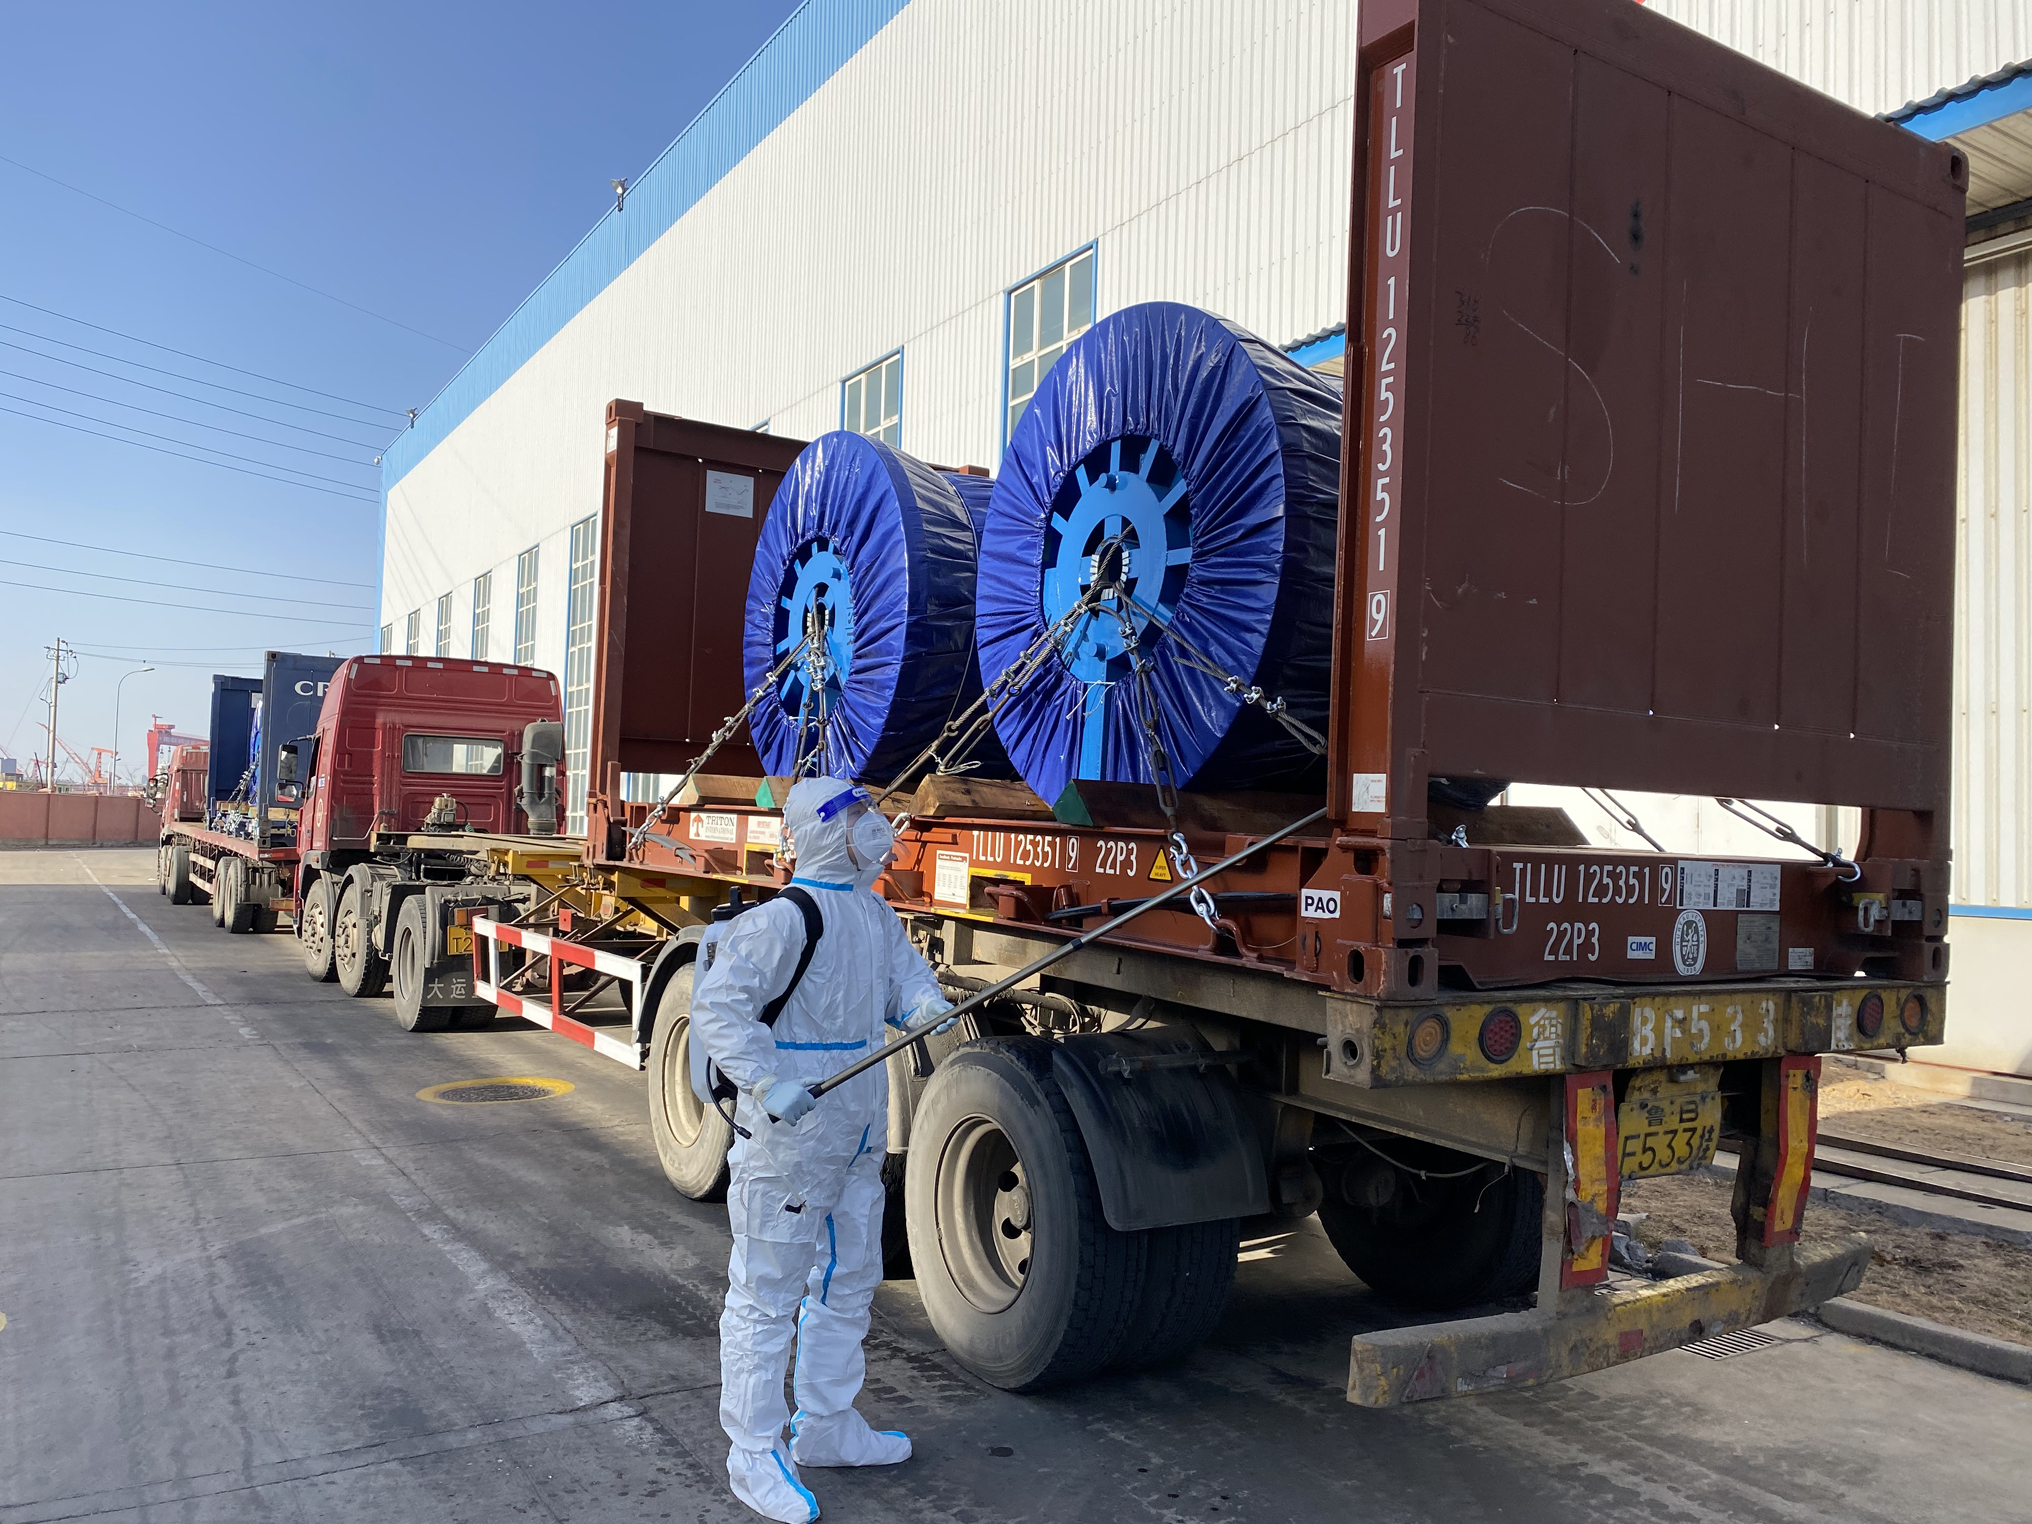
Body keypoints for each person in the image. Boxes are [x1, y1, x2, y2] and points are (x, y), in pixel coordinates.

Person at [688, 776, 955, 1523]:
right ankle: (753, 1452)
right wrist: (766, 1082)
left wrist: (926, 1007)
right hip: (791, 1139)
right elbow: (720, 1009)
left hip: (859, 1133)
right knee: (767, 1295)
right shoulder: (782, 920)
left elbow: (904, 984)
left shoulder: (874, 914)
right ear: (822, 833)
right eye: (859, 817)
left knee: (848, 1280)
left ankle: (828, 1425)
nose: (876, 829)